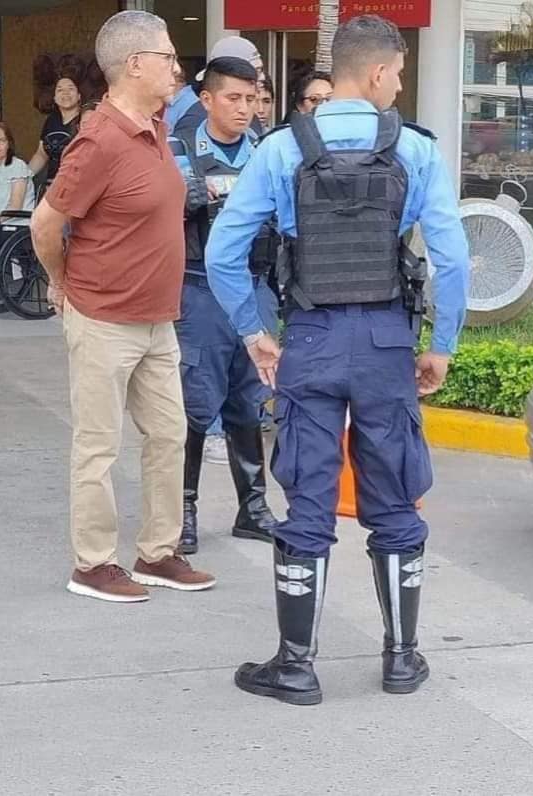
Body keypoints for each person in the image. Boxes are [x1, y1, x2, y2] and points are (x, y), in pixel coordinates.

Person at [205, 14, 469, 705]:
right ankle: (403, 659)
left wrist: (252, 332)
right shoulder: (414, 149)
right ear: (378, 72)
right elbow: (454, 259)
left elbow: (221, 254)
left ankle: (296, 666)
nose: (402, 83)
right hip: (386, 344)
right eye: (401, 72)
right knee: (394, 497)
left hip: (312, 342)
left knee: (307, 501)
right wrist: (440, 347)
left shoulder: (281, 148)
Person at [30, 10, 215, 603]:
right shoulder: (101, 138)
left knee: (168, 436)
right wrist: (60, 283)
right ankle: (93, 564)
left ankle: (158, 553)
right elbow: (45, 223)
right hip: (104, 317)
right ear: (135, 66)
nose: (176, 68)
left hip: (158, 319)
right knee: (98, 444)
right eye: (166, 58)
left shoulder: (155, 127)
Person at [169, 57, 279, 557]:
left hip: (254, 287)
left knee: (248, 400)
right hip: (200, 290)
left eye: (252, 99)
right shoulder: (180, 150)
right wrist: (180, 198)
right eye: (233, 98)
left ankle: (252, 509)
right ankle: (183, 511)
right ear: (207, 99)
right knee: (195, 403)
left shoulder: (266, 152)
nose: (245, 109)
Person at [28, 76, 82, 182]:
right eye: (60, 90)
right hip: (52, 184)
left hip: (78, 184)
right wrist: (25, 176)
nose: (65, 93)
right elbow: (42, 154)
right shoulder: (51, 120)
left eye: (70, 88)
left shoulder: (86, 118)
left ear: (79, 96)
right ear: (55, 98)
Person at [0, 122, 35, 224]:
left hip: (14, 225)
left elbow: (15, 206)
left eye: (1, 141)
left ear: (8, 144)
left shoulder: (18, 166)